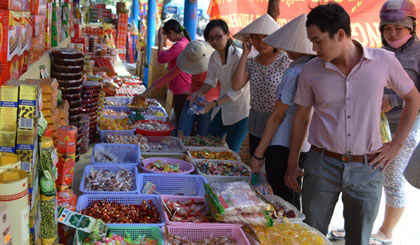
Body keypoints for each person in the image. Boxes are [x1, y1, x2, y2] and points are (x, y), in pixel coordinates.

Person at [284, 3, 420, 245]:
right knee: (311, 235)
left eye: (318, 41)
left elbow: (413, 97)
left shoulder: (383, 61)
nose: (313, 48)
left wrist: (396, 144)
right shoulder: (311, 71)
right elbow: (302, 117)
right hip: (321, 164)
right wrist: (292, 163)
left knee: (359, 239)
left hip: (367, 167)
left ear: (340, 34)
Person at [249, 14, 315, 210]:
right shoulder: (316, 68)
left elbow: (277, 116)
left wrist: (258, 154)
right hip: (307, 146)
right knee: (293, 196)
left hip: (284, 143)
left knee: (282, 198)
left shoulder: (295, 71)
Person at [370, 1, 420, 244]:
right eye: (387, 28)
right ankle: (365, 225)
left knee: (391, 180)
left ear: (412, 26)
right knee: (370, 179)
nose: (392, 34)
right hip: (375, 126)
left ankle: (386, 232)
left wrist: (396, 100)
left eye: (398, 29)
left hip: (404, 129)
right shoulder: (378, 52)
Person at [231, 14, 291, 158]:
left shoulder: (285, 61)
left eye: (266, 37)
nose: (261, 42)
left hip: (279, 121)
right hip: (256, 121)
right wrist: (245, 54)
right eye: (256, 38)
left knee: (273, 169)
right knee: (256, 164)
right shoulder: (251, 62)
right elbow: (236, 85)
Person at [191, 19, 250, 153]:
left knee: (231, 151)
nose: (215, 41)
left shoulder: (239, 56)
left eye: (218, 36)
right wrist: (198, 93)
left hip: (241, 111)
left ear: (228, 34)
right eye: (211, 39)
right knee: (209, 143)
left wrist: (212, 104)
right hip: (222, 106)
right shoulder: (214, 57)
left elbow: (237, 91)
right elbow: (210, 81)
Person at [135, 19, 192, 126]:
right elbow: (168, 75)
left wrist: (161, 40)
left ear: (171, 32)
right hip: (182, 87)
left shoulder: (180, 45)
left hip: (182, 87)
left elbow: (161, 59)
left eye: (167, 35)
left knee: (182, 123)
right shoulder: (184, 43)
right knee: (180, 120)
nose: (168, 39)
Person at [176, 40, 220, 137]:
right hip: (192, 99)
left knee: (203, 135)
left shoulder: (216, 62)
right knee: (182, 132)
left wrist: (216, 104)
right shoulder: (191, 57)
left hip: (209, 103)